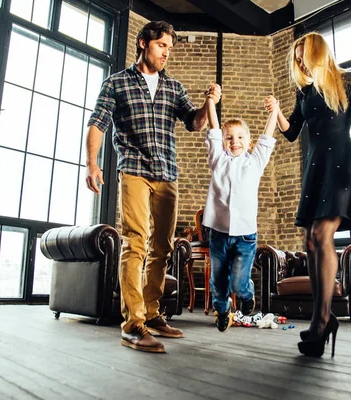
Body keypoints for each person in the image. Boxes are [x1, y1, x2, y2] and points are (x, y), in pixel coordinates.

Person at [85, 21, 221, 353]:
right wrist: (92, 162)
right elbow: (98, 123)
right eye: (162, 46)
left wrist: (209, 104)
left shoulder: (173, 87)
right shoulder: (117, 83)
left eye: (169, 48)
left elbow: (194, 122)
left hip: (167, 173)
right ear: (144, 43)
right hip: (133, 170)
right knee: (135, 242)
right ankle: (132, 324)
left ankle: (152, 314)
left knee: (162, 247)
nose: (166, 53)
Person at [265, 32, 351, 357]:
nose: (299, 61)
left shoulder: (349, 82)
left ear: (317, 52)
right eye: (296, 57)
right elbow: (291, 133)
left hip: (343, 162)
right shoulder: (304, 90)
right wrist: (277, 111)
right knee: (310, 242)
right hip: (316, 167)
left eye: (303, 55)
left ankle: (321, 318)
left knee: (321, 233)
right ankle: (323, 319)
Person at [202, 93, 279, 332]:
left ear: (249, 141)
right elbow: (214, 128)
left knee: (237, 281)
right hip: (218, 231)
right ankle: (222, 311)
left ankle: (247, 296)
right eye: (229, 138)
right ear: (223, 142)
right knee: (218, 281)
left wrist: (274, 110)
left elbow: (268, 136)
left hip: (245, 235)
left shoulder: (255, 162)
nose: (234, 141)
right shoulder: (218, 159)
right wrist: (211, 103)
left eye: (240, 137)